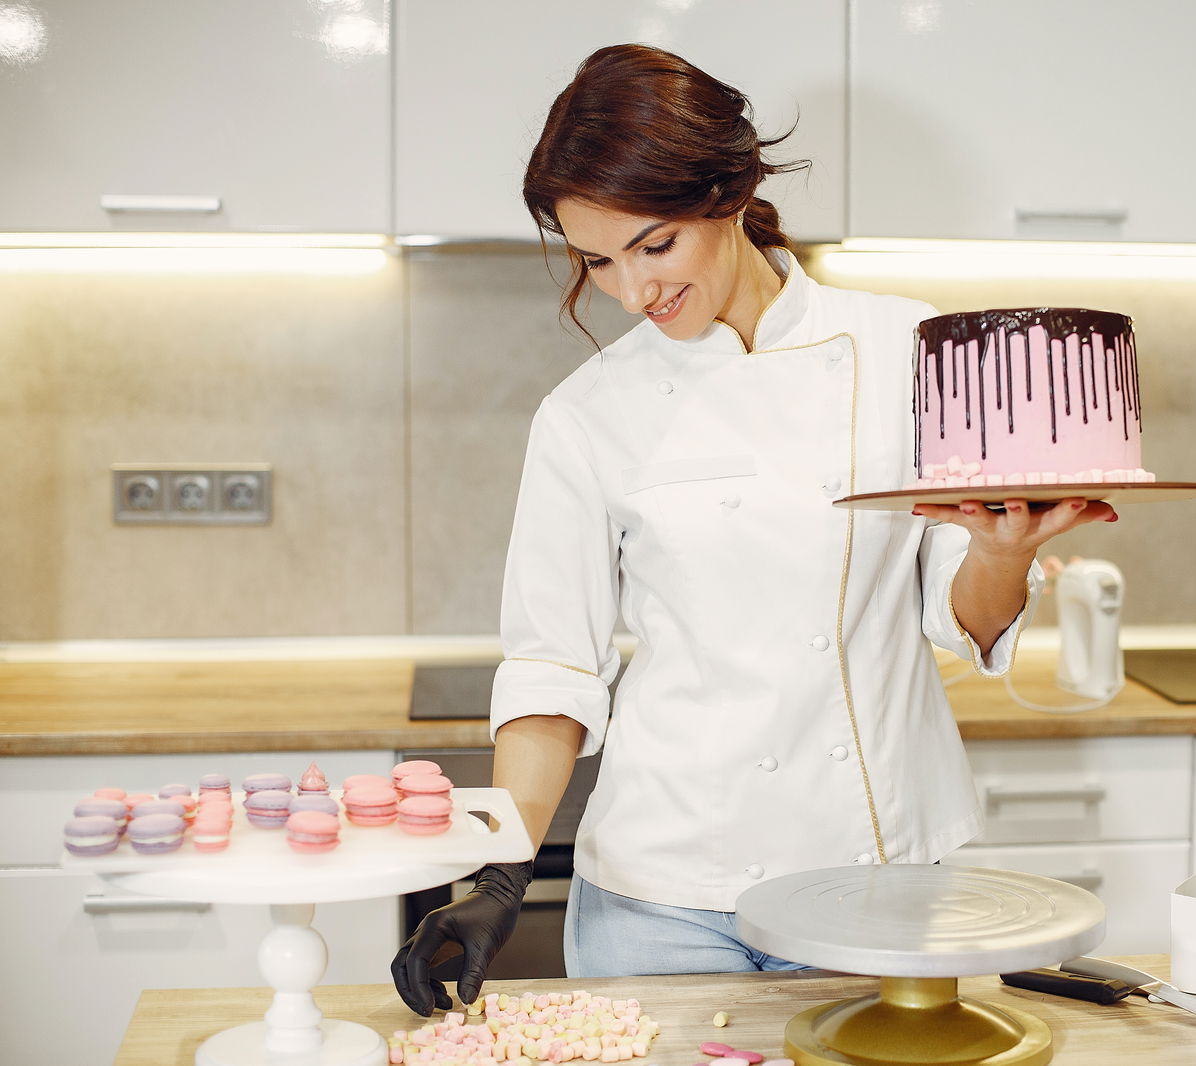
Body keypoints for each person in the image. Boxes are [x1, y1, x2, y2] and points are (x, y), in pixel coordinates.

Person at [391, 43, 1115, 1016]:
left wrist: (1001, 548)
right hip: (659, 891)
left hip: (875, 882)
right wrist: (502, 873)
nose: (633, 292)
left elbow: (963, 619)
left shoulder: (905, 348)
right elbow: (551, 665)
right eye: (597, 261)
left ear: (730, 193)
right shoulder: (586, 413)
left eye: (655, 246)